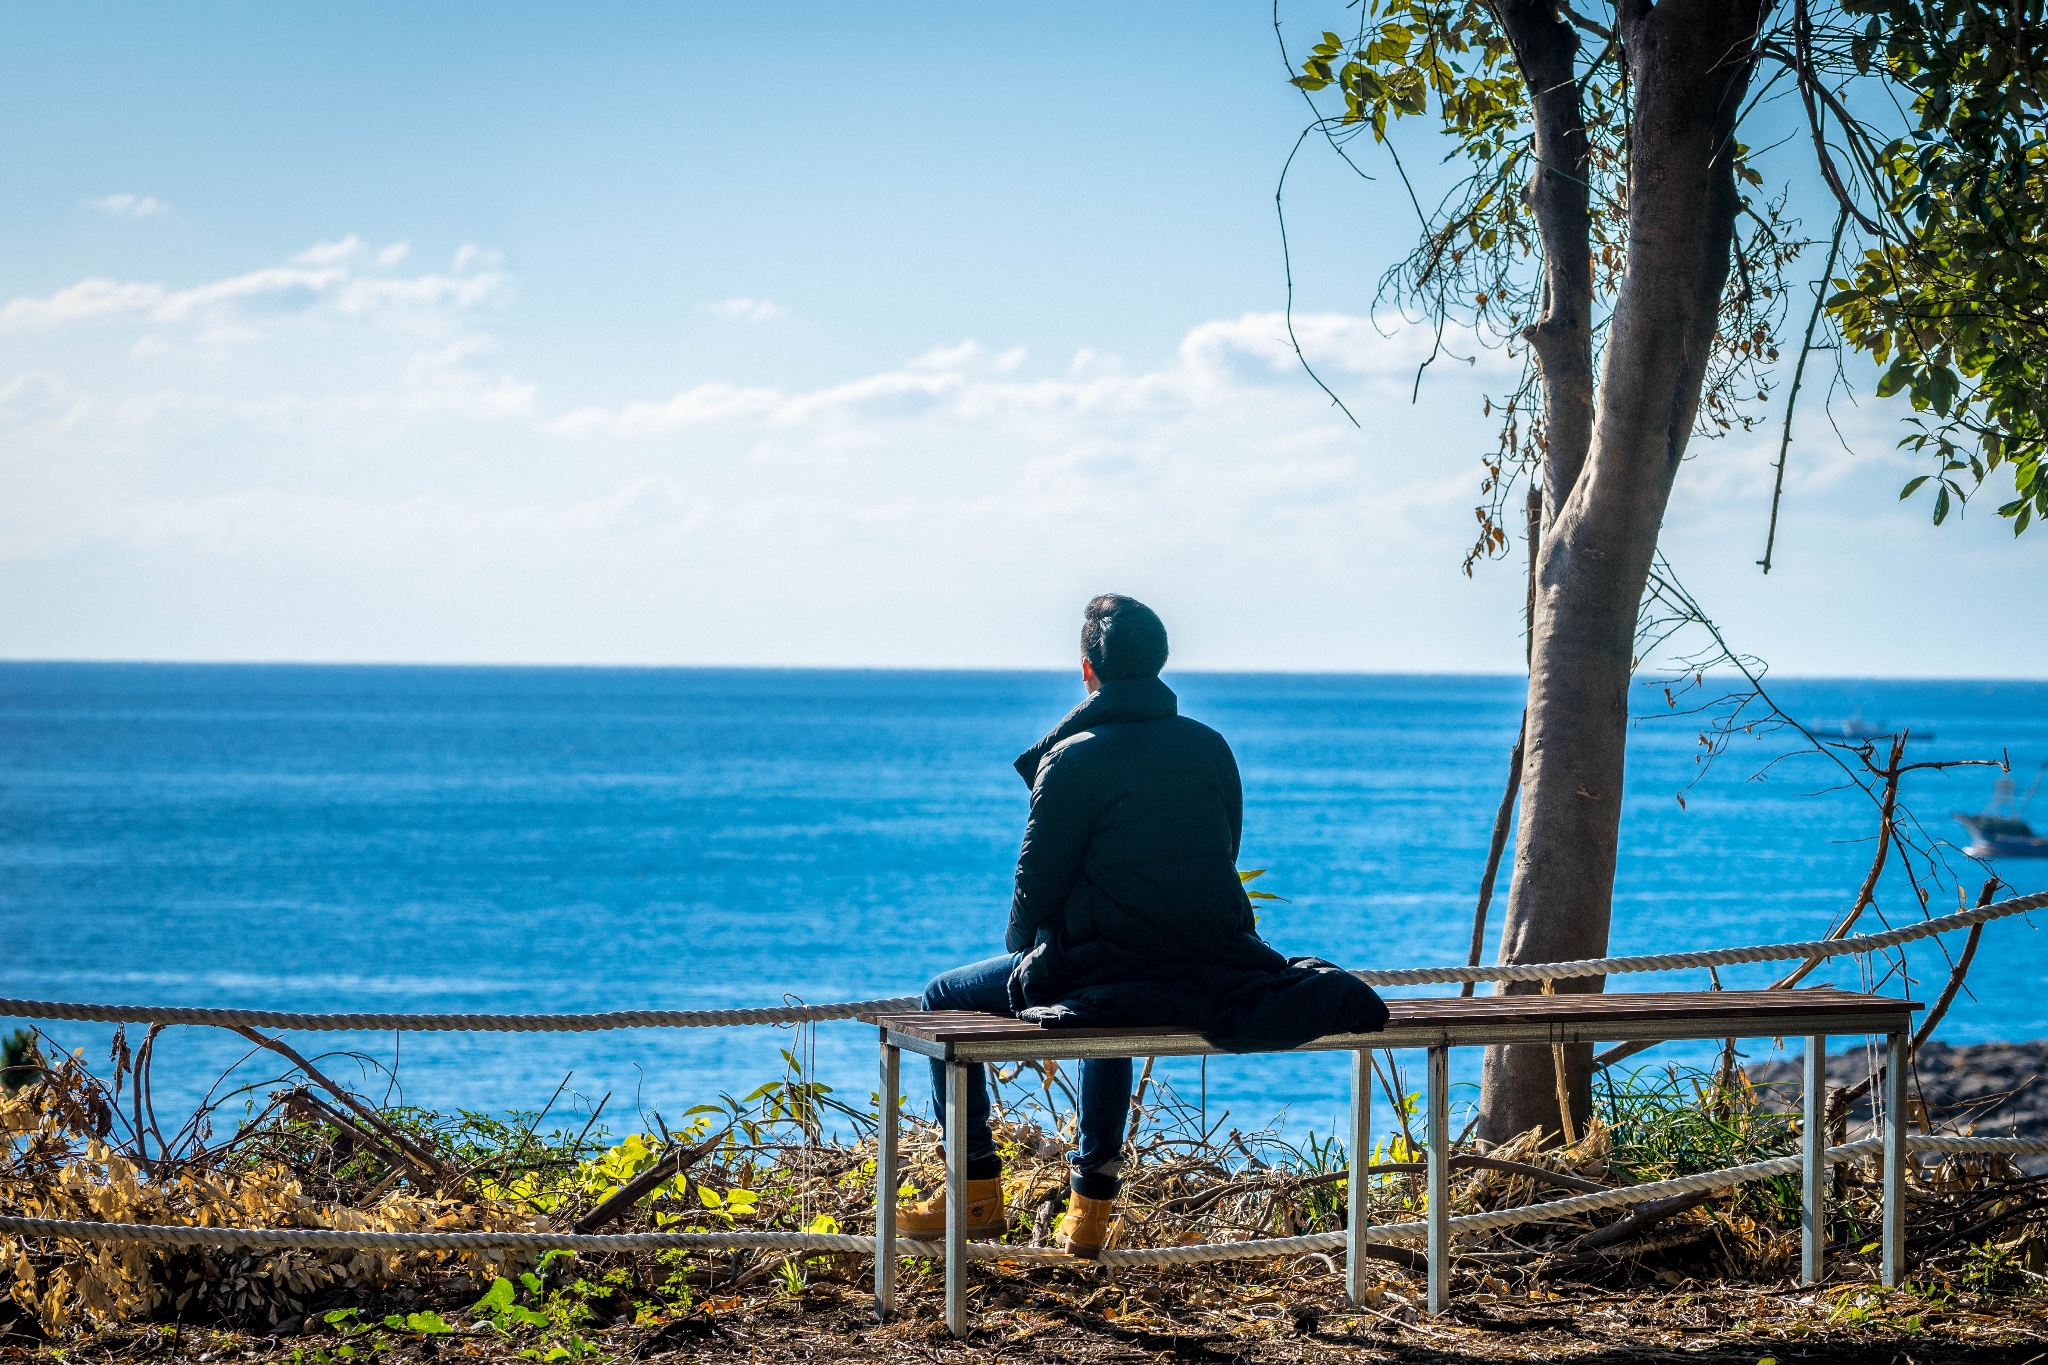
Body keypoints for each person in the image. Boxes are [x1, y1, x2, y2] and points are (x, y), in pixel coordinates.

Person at [896, 595, 1389, 1258]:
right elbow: (1224, 852)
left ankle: (976, 1191)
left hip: (1114, 965)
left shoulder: (1070, 758)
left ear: (1086, 671)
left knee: (945, 997)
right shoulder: (1210, 746)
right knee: (1108, 993)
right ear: (1158, 661)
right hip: (1210, 956)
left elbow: (1033, 893)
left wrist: (1030, 947)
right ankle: (1089, 1210)